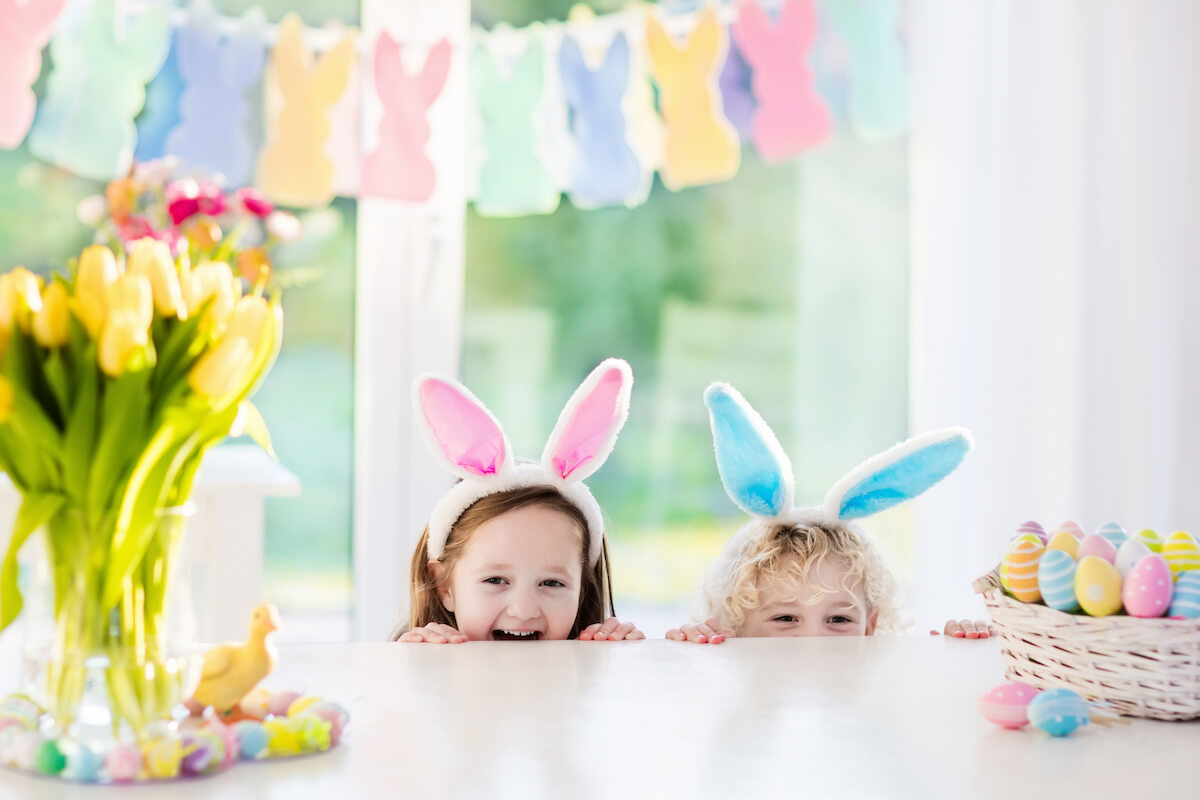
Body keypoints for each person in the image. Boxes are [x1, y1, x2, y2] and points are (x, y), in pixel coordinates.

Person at [667, 382, 986, 643]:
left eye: (838, 619)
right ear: (733, 628)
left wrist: (955, 656)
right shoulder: (729, 677)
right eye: (785, 618)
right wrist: (693, 656)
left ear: (869, 627)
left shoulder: (877, 684)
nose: (814, 639)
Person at [393, 358, 644, 643]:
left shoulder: (597, 663)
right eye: (496, 580)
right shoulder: (418, 668)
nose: (524, 611)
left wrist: (616, 663)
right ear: (445, 586)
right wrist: (414, 674)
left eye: (552, 583)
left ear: (582, 590)